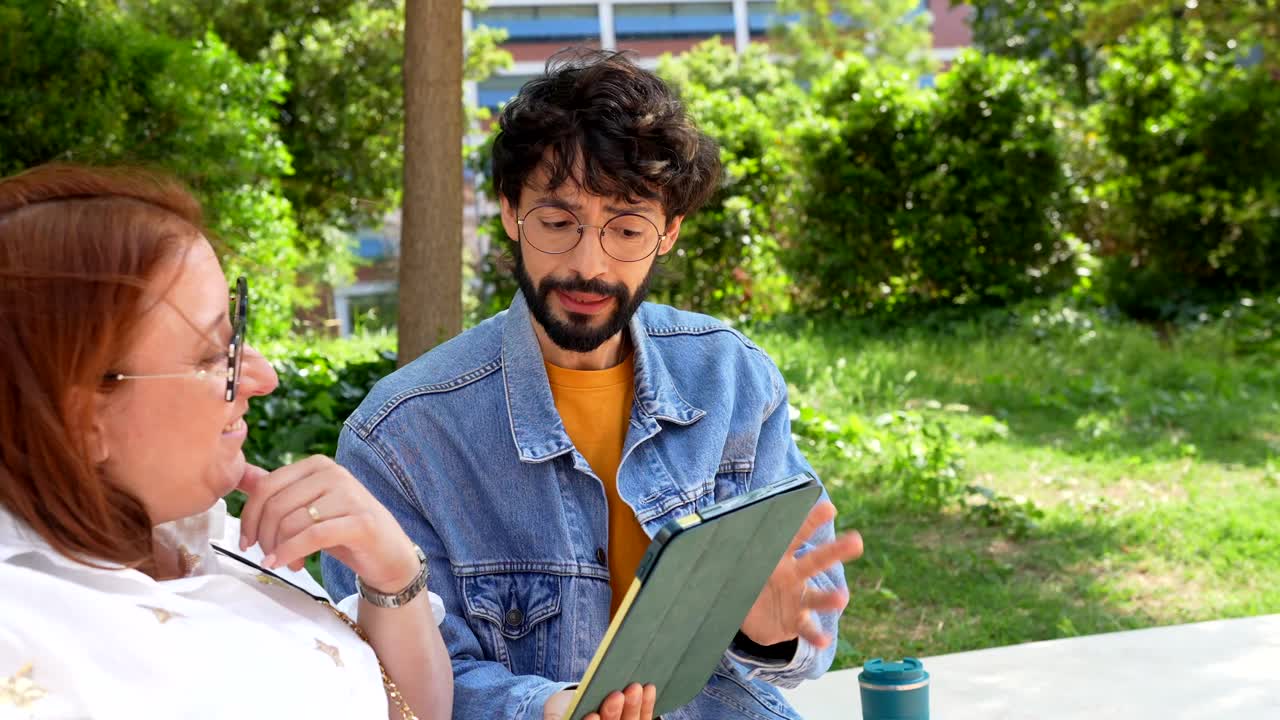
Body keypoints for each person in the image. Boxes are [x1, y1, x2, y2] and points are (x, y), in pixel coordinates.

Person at [323, 49, 864, 720]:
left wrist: (772, 634)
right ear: (510, 212)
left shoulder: (730, 378)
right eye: (557, 222)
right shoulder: (399, 438)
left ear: (668, 233)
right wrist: (553, 708)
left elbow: (807, 622)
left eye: (628, 229)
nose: (589, 264)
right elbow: (393, 685)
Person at [0, 164, 452, 720]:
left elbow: (409, 711)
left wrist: (393, 576)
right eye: (215, 356)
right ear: (82, 419)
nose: (264, 377)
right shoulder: (28, 642)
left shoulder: (211, 536)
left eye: (237, 334)